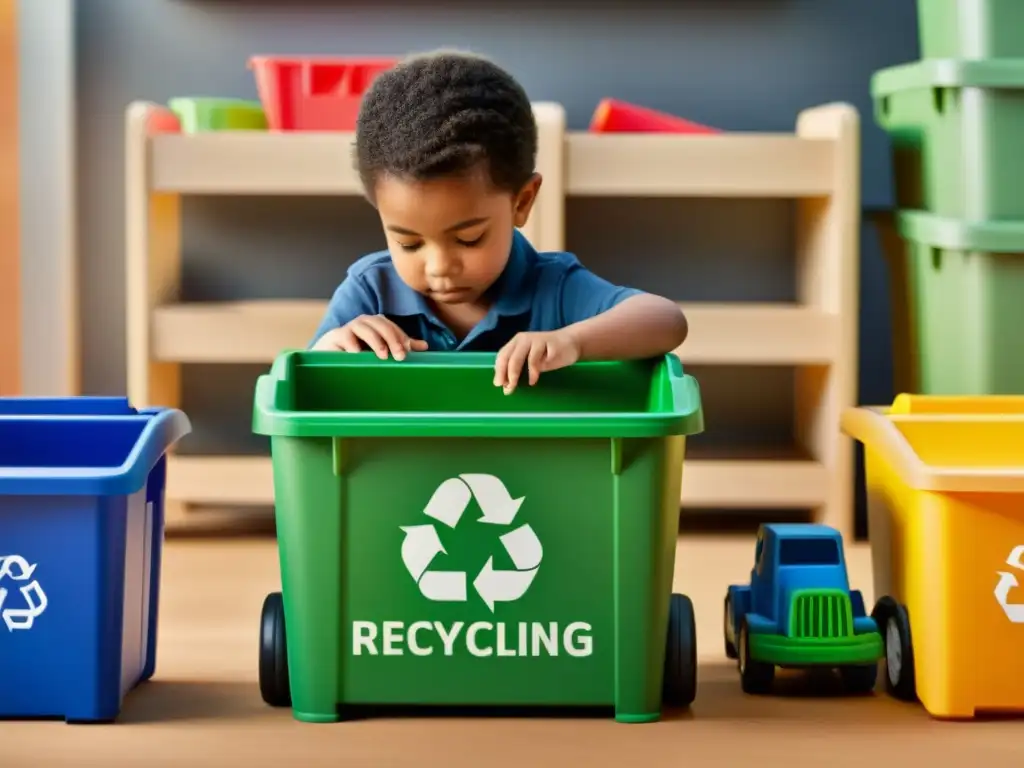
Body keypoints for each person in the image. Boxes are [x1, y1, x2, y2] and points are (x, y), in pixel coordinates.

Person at [310, 50, 688, 394]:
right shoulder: (371, 291)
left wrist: (571, 342)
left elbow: (665, 320)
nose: (440, 267)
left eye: (469, 238)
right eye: (409, 243)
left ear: (522, 202)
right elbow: (306, 385)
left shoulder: (552, 287)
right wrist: (331, 350)